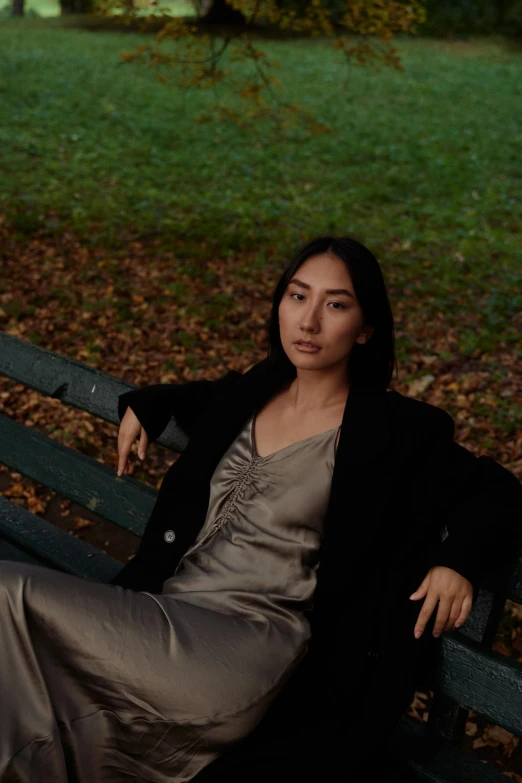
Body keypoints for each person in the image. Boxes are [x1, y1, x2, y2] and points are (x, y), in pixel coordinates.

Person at [1, 236, 521, 783]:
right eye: (298, 297)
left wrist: (457, 559)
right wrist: (149, 406)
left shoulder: (395, 431)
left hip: (244, 651)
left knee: (10, 595)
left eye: (336, 304)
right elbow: (204, 398)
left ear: (366, 330)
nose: (310, 321)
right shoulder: (257, 389)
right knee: (23, 702)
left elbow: (499, 491)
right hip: (167, 617)